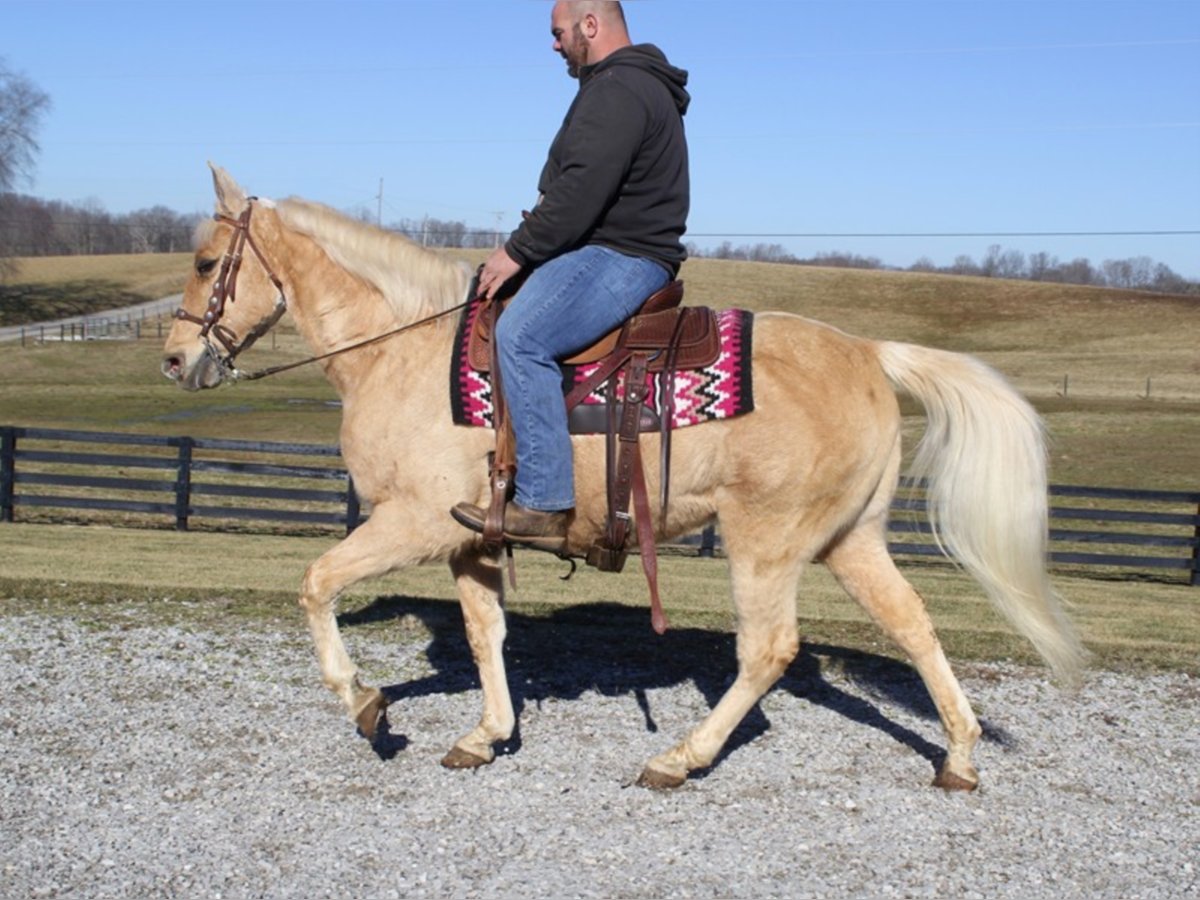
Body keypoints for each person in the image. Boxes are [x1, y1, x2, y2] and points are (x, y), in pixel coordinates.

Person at [452, 0, 691, 552]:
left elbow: (581, 190)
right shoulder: (621, 86)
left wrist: (517, 252)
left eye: (559, 33)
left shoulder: (619, 89)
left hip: (622, 256)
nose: (554, 44)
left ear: (591, 24)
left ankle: (543, 500)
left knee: (521, 336)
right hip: (611, 249)